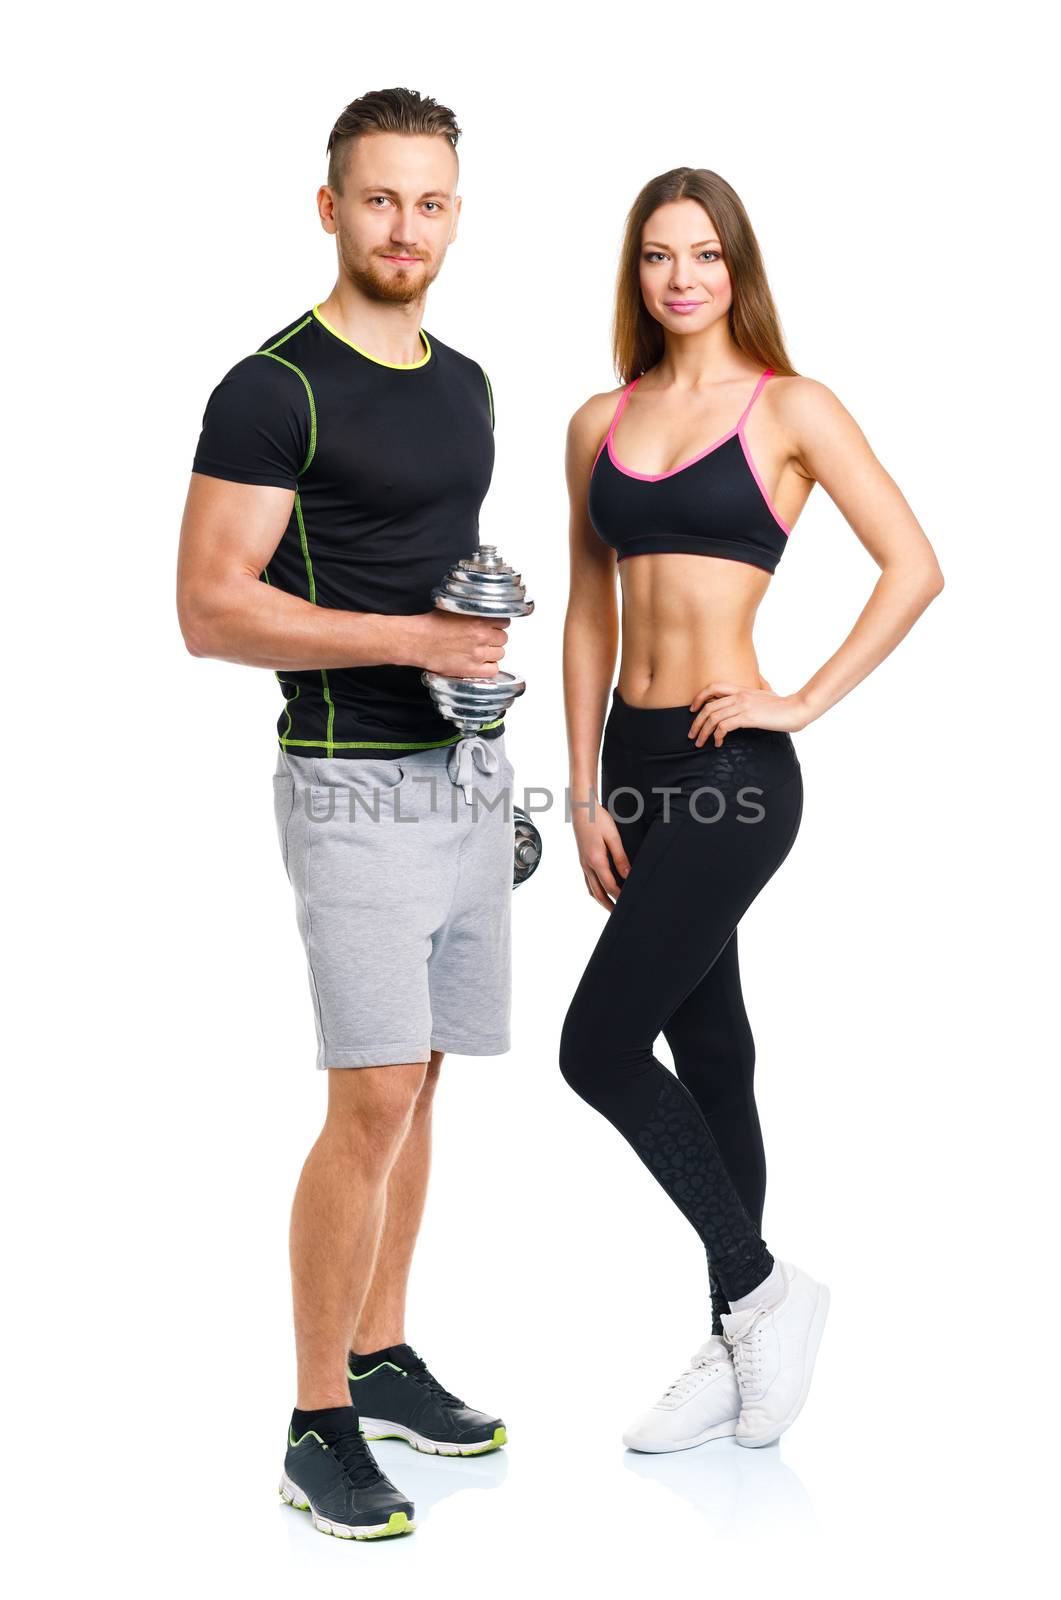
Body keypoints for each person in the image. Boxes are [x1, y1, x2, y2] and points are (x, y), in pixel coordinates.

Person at [558, 167, 944, 1453]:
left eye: (705, 254)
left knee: (597, 1046)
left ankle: (766, 1290)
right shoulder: (595, 421)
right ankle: (739, 1343)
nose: (682, 277)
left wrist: (805, 699)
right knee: (709, 1047)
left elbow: (914, 563)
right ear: (638, 271)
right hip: (630, 764)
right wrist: (580, 787)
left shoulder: (790, 408)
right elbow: (587, 613)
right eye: (660, 255)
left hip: (732, 771)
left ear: (737, 269)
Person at [177, 87, 514, 1542]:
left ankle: (379, 1355)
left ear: (455, 212)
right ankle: (318, 1421)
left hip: (466, 776)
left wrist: (478, 657)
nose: (405, 228)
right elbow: (207, 609)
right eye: (379, 200)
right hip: (349, 783)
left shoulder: (467, 382)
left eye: (430, 202)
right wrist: (409, 642)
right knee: (368, 1092)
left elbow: (433, 573)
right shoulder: (273, 386)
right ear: (330, 208)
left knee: (425, 1077)